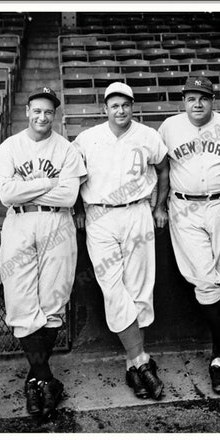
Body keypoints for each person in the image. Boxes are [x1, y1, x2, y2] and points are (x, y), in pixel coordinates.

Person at [0, 86, 87, 418]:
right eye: (37, 110)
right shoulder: (8, 147)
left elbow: (69, 196)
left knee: (53, 302)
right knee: (20, 302)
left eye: (48, 112)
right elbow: (5, 195)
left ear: (54, 114)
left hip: (57, 223)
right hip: (18, 224)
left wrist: (25, 188)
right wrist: (49, 184)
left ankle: (36, 382)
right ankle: (45, 378)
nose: (42, 117)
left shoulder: (67, 149)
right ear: (27, 111)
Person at [158, 76, 220, 395]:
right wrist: (160, 205)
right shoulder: (169, 128)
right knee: (205, 279)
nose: (197, 103)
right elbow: (159, 170)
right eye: (191, 98)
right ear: (183, 101)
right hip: (185, 209)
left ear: (212, 100)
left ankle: (218, 359)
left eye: (203, 97)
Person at [74, 82, 169, 400]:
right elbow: (74, 176)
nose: (121, 110)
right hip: (100, 216)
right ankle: (143, 361)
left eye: (126, 104)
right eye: (114, 105)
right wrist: (77, 210)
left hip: (138, 212)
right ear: (105, 109)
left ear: (133, 106)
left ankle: (133, 366)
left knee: (140, 289)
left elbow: (164, 167)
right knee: (113, 290)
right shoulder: (87, 139)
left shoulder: (148, 135)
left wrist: (159, 206)